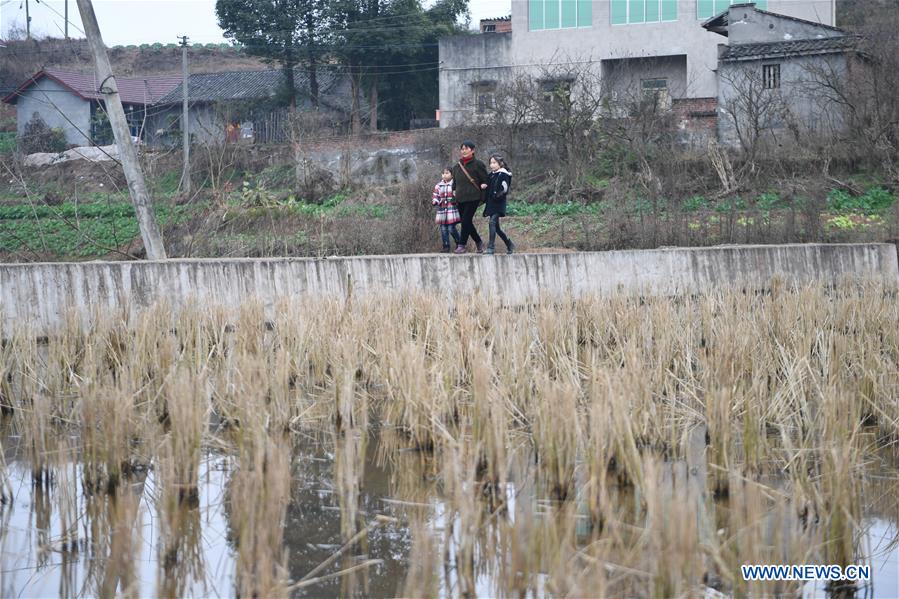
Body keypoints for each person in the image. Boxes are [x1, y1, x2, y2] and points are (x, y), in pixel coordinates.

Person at [451, 140, 488, 254]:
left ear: (473, 150)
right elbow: (455, 182)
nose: (464, 151)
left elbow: (485, 179)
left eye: (466, 149)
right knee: (465, 221)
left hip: (473, 197)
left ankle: (462, 245)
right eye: (462, 149)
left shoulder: (478, 164)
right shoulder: (457, 166)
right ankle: (479, 242)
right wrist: (453, 190)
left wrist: (484, 185)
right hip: (460, 198)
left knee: (466, 220)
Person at [483, 154, 515, 255]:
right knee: (496, 228)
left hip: (499, 203)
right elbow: (488, 186)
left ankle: (491, 247)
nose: (492, 165)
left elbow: (504, 188)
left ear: (500, 163)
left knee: (492, 223)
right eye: (490, 163)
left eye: (494, 163)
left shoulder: (503, 174)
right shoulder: (491, 175)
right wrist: (484, 186)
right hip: (491, 203)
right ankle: (509, 244)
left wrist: (497, 195)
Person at [432, 166, 462, 253]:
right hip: (442, 209)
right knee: (443, 228)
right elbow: (436, 195)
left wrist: (456, 198)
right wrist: (435, 201)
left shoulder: (454, 184)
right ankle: (446, 246)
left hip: (451, 208)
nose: (444, 175)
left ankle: (459, 242)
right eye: (443, 173)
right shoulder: (438, 185)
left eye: (447, 173)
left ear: (452, 175)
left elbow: (458, 194)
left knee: (451, 228)